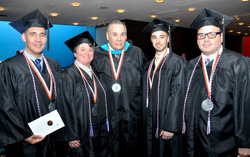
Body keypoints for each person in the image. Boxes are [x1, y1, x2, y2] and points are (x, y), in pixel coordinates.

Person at [182, 8, 250, 156]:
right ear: (197, 39)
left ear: (221, 37)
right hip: (194, 139)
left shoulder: (237, 63)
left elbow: (245, 104)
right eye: (201, 35)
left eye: (212, 34)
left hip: (224, 141)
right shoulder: (192, 65)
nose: (206, 39)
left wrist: (244, 142)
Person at [0, 9, 61, 156]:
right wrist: (24, 134)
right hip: (24, 141)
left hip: (52, 135)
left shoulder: (54, 65)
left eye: (42, 34)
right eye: (32, 34)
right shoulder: (9, 66)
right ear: (23, 37)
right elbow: (5, 105)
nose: (38, 39)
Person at [92, 20, 147, 157]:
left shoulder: (136, 53)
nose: (119, 38)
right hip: (108, 114)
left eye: (122, 34)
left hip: (132, 113)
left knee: (133, 148)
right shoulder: (98, 55)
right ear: (107, 36)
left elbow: (144, 81)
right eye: (115, 34)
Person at [56, 31, 112, 157]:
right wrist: (70, 135)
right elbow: (63, 106)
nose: (87, 53)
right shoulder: (67, 75)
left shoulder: (95, 73)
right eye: (83, 49)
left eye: (90, 50)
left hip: (98, 128)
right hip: (80, 133)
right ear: (75, 53)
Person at [142, 18, 186, 157]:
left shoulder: (177, 62)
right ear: (150, 39)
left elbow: (178, 94)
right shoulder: (148, 65)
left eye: (162, 37)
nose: (158, 41)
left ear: (168, 39)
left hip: (166, 123)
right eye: (154, 37)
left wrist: (170, 126)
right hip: (151, 120)